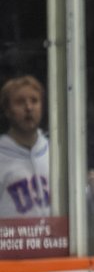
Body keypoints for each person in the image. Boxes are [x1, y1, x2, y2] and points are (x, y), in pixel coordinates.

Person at [0, 75, 50, 220]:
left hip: (54, 234)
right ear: (7, 110)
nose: (29, 108)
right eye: (20, 102)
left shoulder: (56, 151)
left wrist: (93, 188)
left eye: (34, 101)